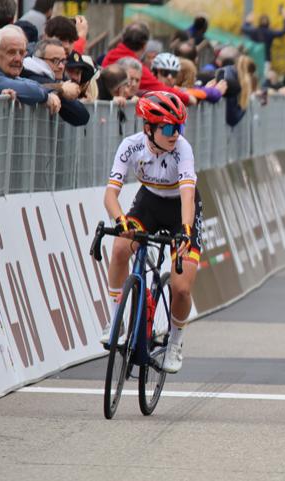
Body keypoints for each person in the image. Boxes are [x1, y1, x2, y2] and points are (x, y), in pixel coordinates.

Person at [101, 91, 202, 374]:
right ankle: (116, 320)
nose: (175, 134)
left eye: (179, 127)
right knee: (121, 248)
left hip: (181, 209)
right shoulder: (131, 146)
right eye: (169, 128)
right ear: (149, 128)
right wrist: (120, 219)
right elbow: (110, 194)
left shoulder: (182, 148)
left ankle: (176, 342)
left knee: (181, 287)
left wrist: (184, 229)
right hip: (148, 204)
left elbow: (187, 195)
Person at [101, 22, 194, 105]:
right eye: (164, 72)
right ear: (145, 45)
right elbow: (159, 89)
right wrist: (187, 98)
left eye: (174, 74)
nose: (169, 77)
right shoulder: (136, 68)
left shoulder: (109, 55)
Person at [21, 37, 89, 125]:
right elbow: (81, 116)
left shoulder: (38, 75)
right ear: (39, 59)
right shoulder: (35, 77)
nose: (61, 66)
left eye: (63, 61)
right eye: (55, 61)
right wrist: (61, 89)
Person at [0, 25, 60, 111]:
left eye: (22, 53)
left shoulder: (10, 77)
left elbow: (30, 85)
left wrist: (47, 93)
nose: (18, 59)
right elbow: (33, 91)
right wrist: (46, 96)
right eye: (11, 52)